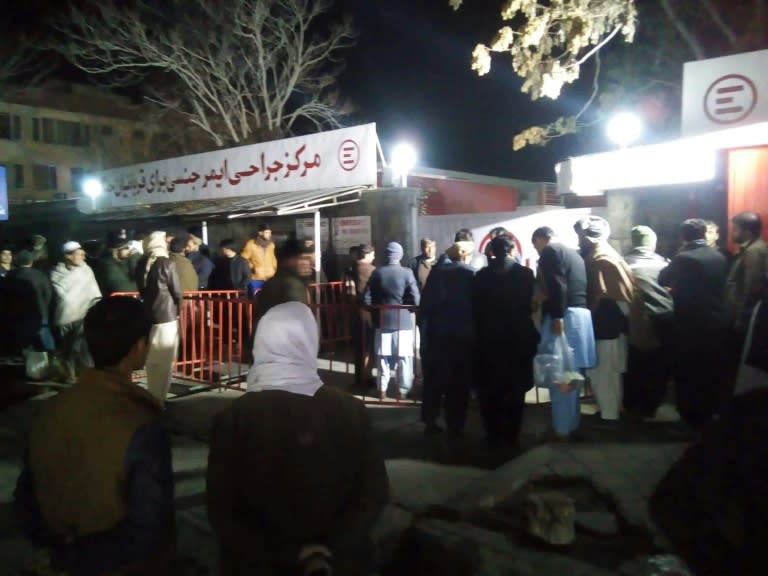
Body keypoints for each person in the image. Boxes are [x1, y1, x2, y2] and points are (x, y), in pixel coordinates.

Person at [207, 302, 388, 575]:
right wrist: (329, 550)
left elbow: (222, 508)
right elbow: (373, 492)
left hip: (258, 565)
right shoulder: (350, 410)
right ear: (309, 341)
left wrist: (287, 554)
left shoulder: (234, 418)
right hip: (340, 562)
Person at [15, 296, 175, 575]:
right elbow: (148, 526)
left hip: (57, 555)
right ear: (140, 346)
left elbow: (26, 495)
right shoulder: (141, 423)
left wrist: (54, 553)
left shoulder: (51, 409)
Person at [659, 219, 728, 428]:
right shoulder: (719, 257)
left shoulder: (684, 258)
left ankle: (690, 418)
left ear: (683, 236)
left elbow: (663, 279)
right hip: (716, 322)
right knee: (709, 371)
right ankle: (709, 414)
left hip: (689, 324)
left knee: (688, 373)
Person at [474, 236, 539, 447]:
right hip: (517, 338)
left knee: (489, 391)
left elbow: (476, 308)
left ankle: (492, 434)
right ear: (511, 251)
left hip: (489, 340)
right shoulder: (526, 275)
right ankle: (512, 435)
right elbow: (531, 304)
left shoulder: (482, 276)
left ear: (491, 251)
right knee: (516, 389)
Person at [575, 216, 635, 421]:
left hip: (605, 326)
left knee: (604, 374)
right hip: (611, 325)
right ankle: (610, 413)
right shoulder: (607, 255)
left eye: (580, 236)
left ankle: (609, 418)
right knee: (608, 374)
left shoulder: (599, 259)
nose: (578, 241)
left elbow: (602, 295)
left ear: (588, 237)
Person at [420, 240, 476, 436]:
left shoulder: (437, 274)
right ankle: (455, 424)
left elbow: (425, 305)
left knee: (434, 380)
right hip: (462, 337)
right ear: (464, 255)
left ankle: (430, 419)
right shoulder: (470, 274)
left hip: (437, 335)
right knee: (458, 383)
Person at [623, 226, 674, 417]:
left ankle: (633, 404)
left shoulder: (624, 263)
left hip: (635, 320)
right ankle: (652, 404)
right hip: (664, 318)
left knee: (634, 365)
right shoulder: (665, 263)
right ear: (652, 243)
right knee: (658, 366)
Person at [531, 226, 595, 372]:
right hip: (580, 316)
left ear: (539, 239)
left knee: (561, 375)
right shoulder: (573, 253)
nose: (538, 251)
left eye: (535, 247)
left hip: (565, 317)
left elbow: (557, 285)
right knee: (573, 373)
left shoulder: (550, 250)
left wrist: (557, 317)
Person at [364, 242, 420, 399]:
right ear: (400, 255)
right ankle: (402, 391)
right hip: (403, 321)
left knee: (383, 357)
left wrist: (376, 310)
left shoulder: (377, 273)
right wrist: (409, 308)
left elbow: (366, 298)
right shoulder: (407, 273)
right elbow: (416, 298)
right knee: (404, 358)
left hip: (382, 320)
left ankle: (381, 390)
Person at [136, 231, 182, 402]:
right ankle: (159, 399)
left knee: (153, 359)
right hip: (167, 316)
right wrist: (179, 310)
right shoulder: (166, 263)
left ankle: (153, 393)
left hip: (149, 315)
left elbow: (141, 290)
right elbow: (176, 291)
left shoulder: (142, 263)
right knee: (165, 359)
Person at [51, 241, 102, 383]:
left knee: (80, 348)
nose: (83, 257)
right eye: (80, 255)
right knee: (67, 349)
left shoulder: (86, 271)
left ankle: (87, 376)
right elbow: (60, 298)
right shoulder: (55, 273)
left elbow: (94, 294)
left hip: (83, 315)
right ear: (68, 256)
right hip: (64, 317)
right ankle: (70, 375)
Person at [3, 250, 54, 358]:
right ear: (31, 261)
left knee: (21, 342)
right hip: (39, 313)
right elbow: (48, 294)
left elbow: (4, 295)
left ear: (17, 261)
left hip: (17, 315)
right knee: (43, 341)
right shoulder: (40, 275)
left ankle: (20, 364)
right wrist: (44, 307)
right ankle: (46, 362)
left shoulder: (10, 275)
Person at [347, 244, 376, 387]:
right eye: (373, 254)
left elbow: (349, 293)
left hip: (354, 312)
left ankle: (359, 377)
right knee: (367, 347)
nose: (374, 257)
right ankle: (366, 377)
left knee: (359, 347)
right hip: (368, 313)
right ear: (367, 255)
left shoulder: (350, 269)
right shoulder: (371, 271)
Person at [241, 223, 278, 295]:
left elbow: (273, 258)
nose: (269, 234)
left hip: (270, 277)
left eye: (270, 232)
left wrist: (274, 269)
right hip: (256, 278)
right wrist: (252, 267)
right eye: (267, 232)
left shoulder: (271, 245)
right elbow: (243, 259)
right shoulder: (251, 244)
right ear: (260, 232)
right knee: (256, 299)